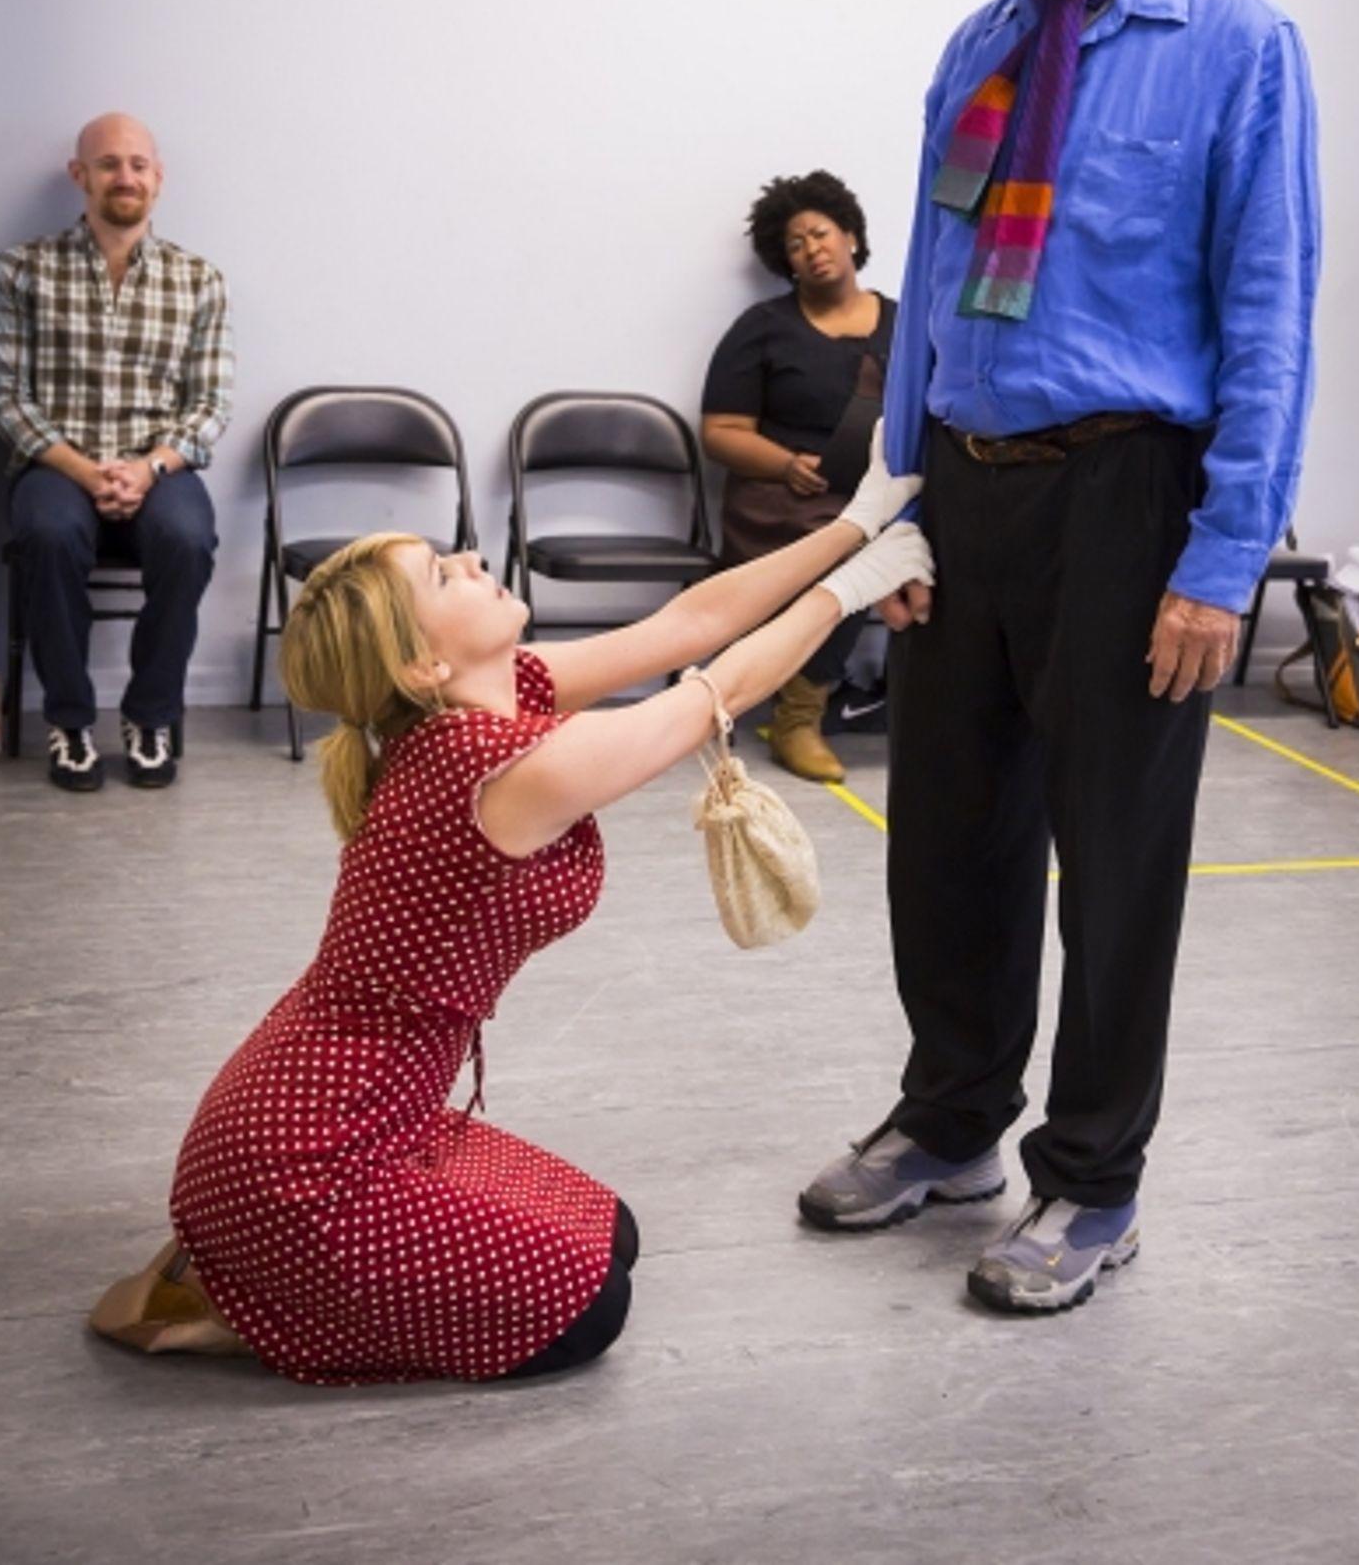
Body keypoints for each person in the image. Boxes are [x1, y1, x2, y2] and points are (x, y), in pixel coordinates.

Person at [798, 0, 1320, 1314]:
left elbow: (1270, 317)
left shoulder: (1238, 46)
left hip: (1129, 497)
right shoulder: (983, 46)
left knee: (1114, 857)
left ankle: (1092, 1182)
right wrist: (897, 507)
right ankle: (953, 1120)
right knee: (948, 835)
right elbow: (933, 297)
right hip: (967, 486)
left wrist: (1223, 558)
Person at [89, 457, 932, 1385]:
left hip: (342, 1120)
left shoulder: (484, 701)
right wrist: (855, 586)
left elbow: (685, 624)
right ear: (423, 662)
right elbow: (711, 695)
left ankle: (256, 1273)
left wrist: (856, 524)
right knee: (589, 1311)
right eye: (441, 575)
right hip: (306, 1171)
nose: (468, 557)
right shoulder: (494, 770)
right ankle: (260, 1292)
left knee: (616, 1237)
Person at [0, 113, 232, 791]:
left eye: (137, 164)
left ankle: (149, 715)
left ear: (157, 178)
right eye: (108, 165)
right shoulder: (20, 270)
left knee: (188, 539)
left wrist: (148, 467)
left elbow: (210, 404)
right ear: (81, 176)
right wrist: (82, 468)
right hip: (55, 464)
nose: (124, 177)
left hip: (158, 464)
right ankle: (69, 720)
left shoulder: (198, 279)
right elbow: (5, 395)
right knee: (44, 534)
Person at [701, 171, 897, 783]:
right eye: (795, 243)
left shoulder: (906, 322)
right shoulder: (762, 328)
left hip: (886, 491)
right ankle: (798, 716)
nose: (812, 248)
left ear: (853, 238)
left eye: (822, 232)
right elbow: (721, 430)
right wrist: (787, 464)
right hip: (787, 498)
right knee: (850, 553)